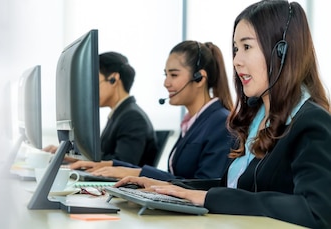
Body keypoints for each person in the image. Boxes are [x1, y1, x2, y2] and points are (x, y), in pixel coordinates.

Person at [117, 1, 331, 228]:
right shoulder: (256, 120)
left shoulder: (311, 122)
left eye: (247, 47)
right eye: (236, 49)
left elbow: (317, 211)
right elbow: (232, 189)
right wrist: (169, 188)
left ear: (281, 51)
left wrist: (210, 198)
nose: (237, 60)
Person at [72, 40, 235, 182]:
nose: (166, 83)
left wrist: (139, 173)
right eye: (166, 75)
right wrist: (112, 166)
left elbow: (204, 186)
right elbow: (177, 176)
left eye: (174, 75)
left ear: (199, 78)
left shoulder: (220, 122)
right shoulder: (192, 122)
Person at [43, 52, 158, 166]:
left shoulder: (132, 117)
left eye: (94, 82)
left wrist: (79, 159)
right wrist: (73, 156)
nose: (90, 90)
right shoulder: (120, 114)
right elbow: (105, 155)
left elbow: (122, 163)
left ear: (113, 79)